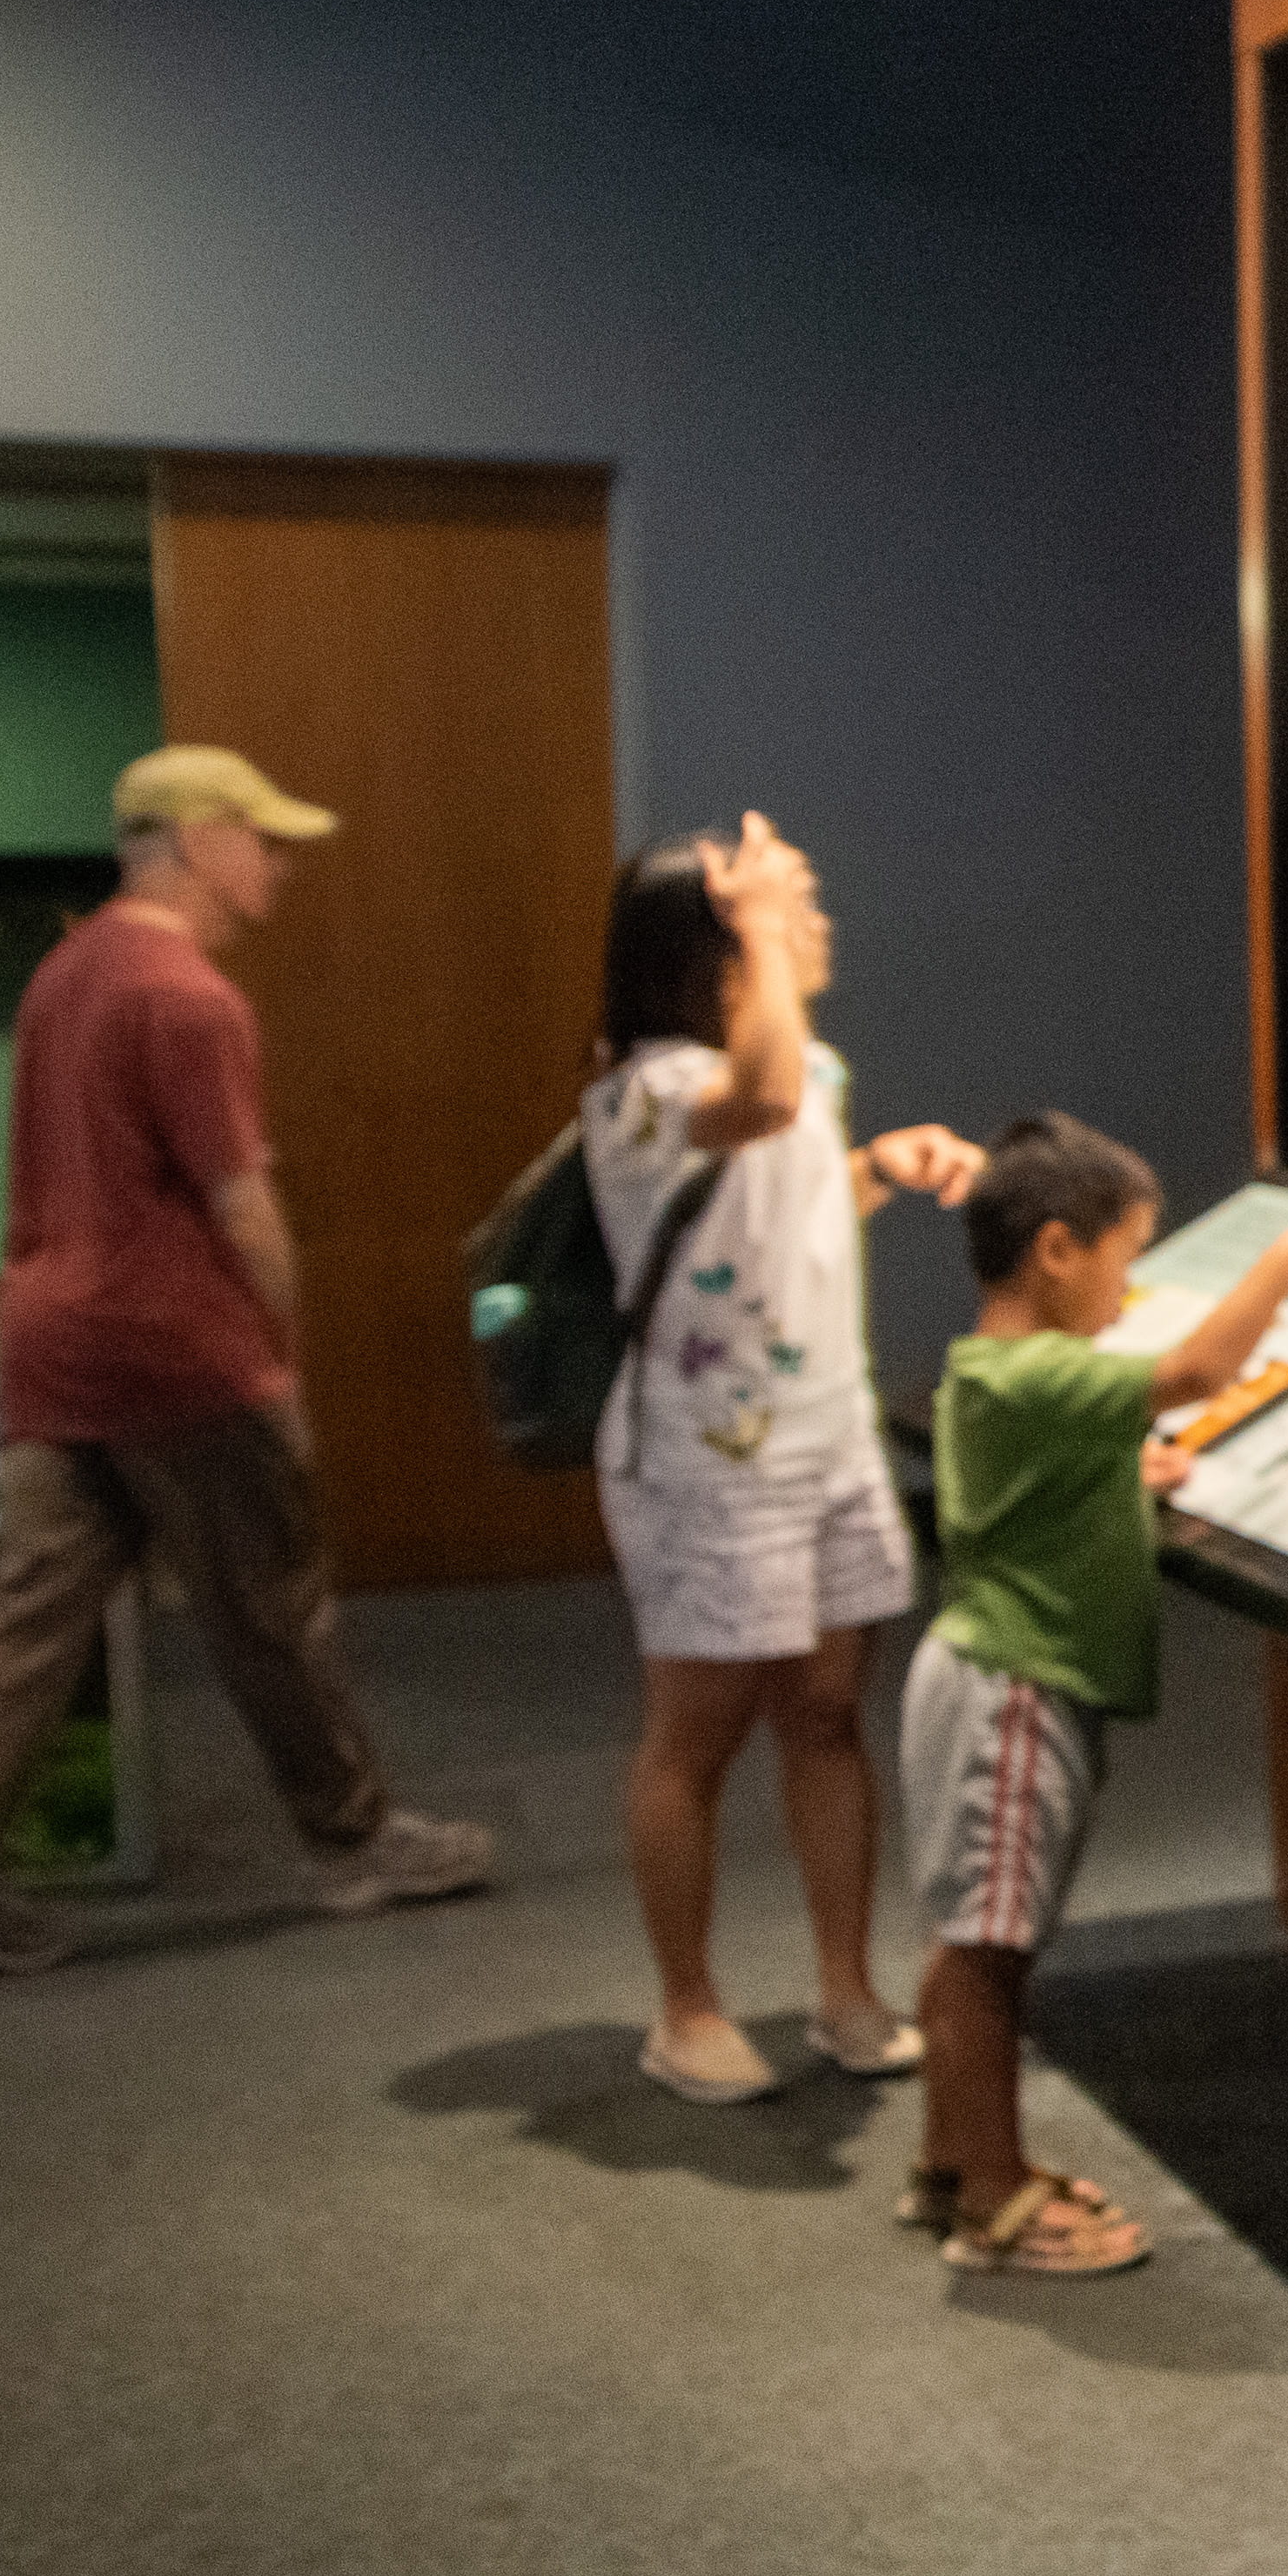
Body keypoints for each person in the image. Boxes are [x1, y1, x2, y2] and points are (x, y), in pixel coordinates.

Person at [0, 746, 493, 1977]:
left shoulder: (64, 973)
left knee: (26, 1619)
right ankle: (355, 1842)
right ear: (201, 839)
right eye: (264, 839)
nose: (281, 866)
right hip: (175, 1349)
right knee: (270, 1605)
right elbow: (240, 1205)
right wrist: (278, 1359)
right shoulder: (190, 999)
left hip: (53, 1344)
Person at [578, 816, 988, 2105]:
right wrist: (756, 916)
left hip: (822, 1436)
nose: (815, 926)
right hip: (706, 1461)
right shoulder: (645, 1089)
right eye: (787, 909)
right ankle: (685, 2011)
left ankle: (846, 1989)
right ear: (712, 951)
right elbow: (750, 1110)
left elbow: (763, 1212)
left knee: (824, 1711)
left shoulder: (806, 1064)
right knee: (695, 1732)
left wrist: (875, 1170)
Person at [902, 1113, 1288, 2276]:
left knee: (972, 1939)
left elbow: (1034, 1482)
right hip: (1016, 1694)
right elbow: (1196, 1373)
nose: (1128, 1288)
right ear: (1058, 1250)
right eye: (1125, 1257)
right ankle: (994, 2196)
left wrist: (1119, 1474)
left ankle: (953, 2159)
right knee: (991, 1954)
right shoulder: (1042, 1371)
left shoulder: (993, 1372)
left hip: (990, 1677)